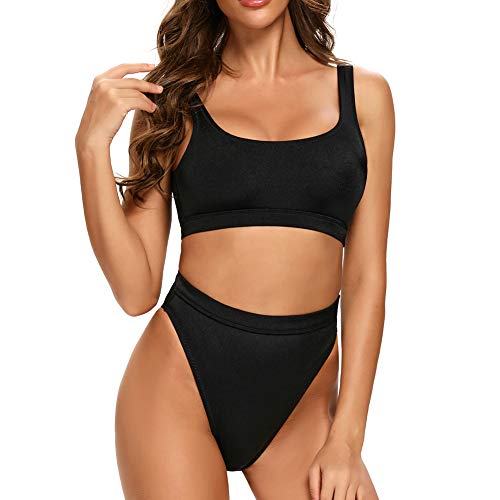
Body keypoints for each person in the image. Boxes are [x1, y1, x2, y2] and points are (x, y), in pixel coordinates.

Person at [75, 0, 395, 498]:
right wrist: (91, 148)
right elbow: (136, 292)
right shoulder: (172, 101)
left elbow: (366, 273)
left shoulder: (364, 97)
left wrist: (347, 438)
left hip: (301, 406)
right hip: (179, 383)